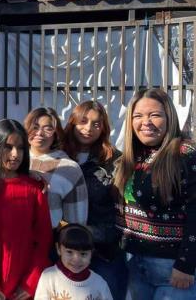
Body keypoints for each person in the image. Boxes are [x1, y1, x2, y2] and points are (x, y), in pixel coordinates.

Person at [114, 88, 196, 299]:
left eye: (155, 115)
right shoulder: (134, 156)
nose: (146, 122)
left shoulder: (185, 155)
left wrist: (186, 264)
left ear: (169, 117)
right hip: (136, 263)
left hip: (173, 270)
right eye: (138, 116)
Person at [0, 119, 52, 300]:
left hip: (22, 290)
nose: (15, 154)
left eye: (21, 148)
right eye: (8, 147)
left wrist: (30, 283)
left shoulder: (33, 189)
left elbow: (43, 240)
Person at [63, 101, 127, 300]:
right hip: (64, 249)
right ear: (72, 122)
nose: (88, 128)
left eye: (96, 124)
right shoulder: (58, 155)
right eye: (83, 121)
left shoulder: (114, 160)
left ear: (104, 128)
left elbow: (124, 206)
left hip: (104, 251)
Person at [24, 107, 88, 228]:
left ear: (56, 133)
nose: (39, 133)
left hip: (50, 240)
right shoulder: (15, 160)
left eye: (48, 128)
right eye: (35, 127)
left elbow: (77, 221)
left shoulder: (69, 168)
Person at [34, 224, 112, 300]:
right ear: (58, 249)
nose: (76, 259)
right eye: (69, 252)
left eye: (83, 254)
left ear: (91, 253)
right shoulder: (49, 277)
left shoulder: (99, 284)